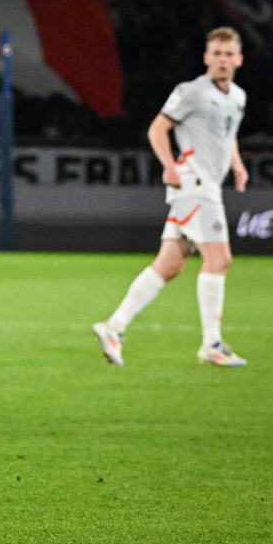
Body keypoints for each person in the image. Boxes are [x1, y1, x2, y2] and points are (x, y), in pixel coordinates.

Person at [94, 26, 249, 368]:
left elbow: (229, 136)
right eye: (217, 53)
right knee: (219, 258)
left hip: (205, 187)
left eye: (228, 54)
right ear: (206, 57)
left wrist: (237, 165)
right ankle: (212, 344)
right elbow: (158, 128)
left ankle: (113, 327)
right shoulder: (191, 91)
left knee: (170, 264)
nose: (222, 60)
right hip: (193, 184)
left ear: (238, 59)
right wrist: (168, 165)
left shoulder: (237, 97)